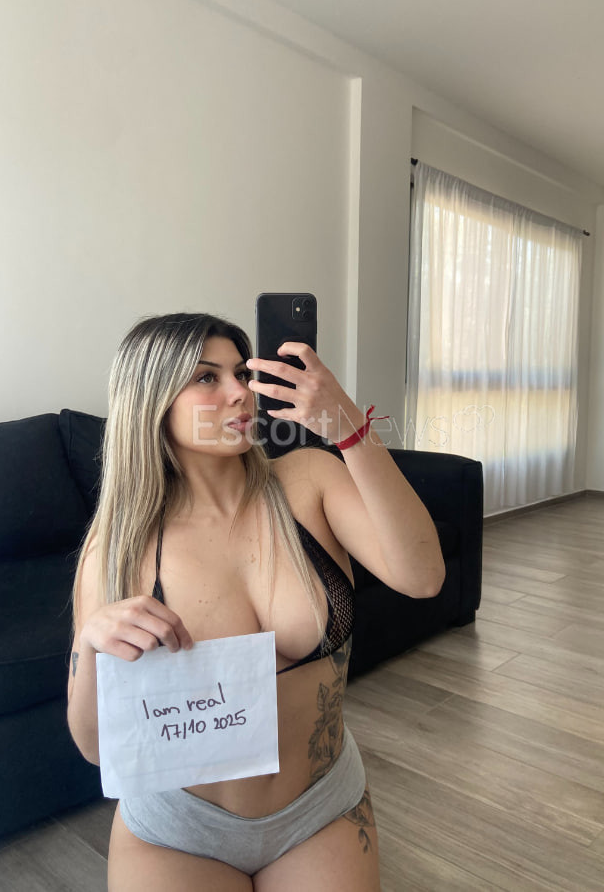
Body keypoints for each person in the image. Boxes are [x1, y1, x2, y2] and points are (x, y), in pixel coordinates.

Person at [67, 312, 445, 892]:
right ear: (151, 400)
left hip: (320, 806)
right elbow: (95, 748)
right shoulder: (118, 545)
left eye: (241, 373)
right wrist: (93, 645)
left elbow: (423, 577)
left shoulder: (308, 480)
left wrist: (347, 425)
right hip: (178, 826)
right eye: (207, 377)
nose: (240, 392)